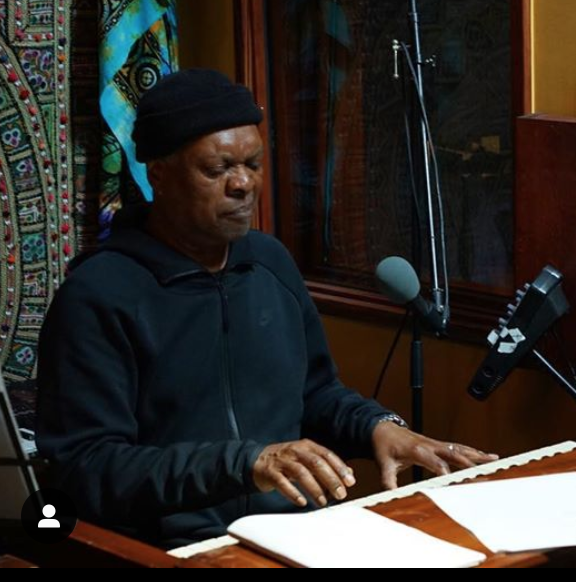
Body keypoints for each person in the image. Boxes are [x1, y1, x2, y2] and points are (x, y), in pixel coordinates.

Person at [36, 68, 497, 547]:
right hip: (172, 547)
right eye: (217, 170)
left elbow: (315, 394)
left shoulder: (269, 262)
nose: (243, 184)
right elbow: (86, 466)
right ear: (159, 174)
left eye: (253, 164)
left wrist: (378, 427)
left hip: (296, 534)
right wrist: (243, 464)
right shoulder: (99, 294)